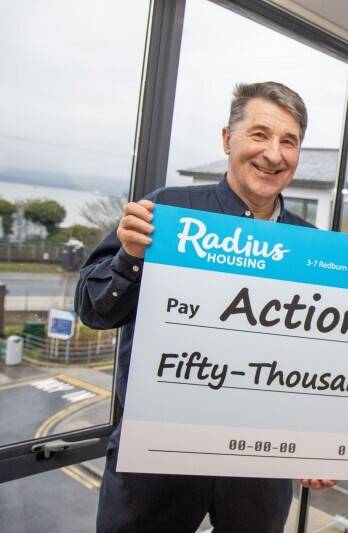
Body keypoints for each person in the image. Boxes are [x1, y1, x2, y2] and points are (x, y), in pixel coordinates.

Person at [75, 81, 334, 533]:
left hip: (259, 469)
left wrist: (316, 442)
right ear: (227, 139)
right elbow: (94, 310)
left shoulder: (312, 246)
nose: (273, 154)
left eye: (288, 141)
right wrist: (129, 258)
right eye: (259, 135)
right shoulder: (165, 213)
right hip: (155, 461)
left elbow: (319, 359)